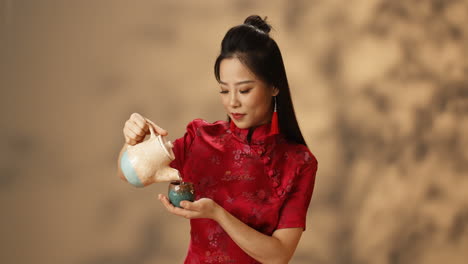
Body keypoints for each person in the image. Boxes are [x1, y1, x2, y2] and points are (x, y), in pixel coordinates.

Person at [117, 15, 318, 264]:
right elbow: (130, 174)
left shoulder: (299, 163)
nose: (232, 101)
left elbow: (278, 255)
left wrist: (217, 214)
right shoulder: (202, 140)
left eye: (244, 90)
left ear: (274, 86)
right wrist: (134, 139)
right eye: (224, 90)